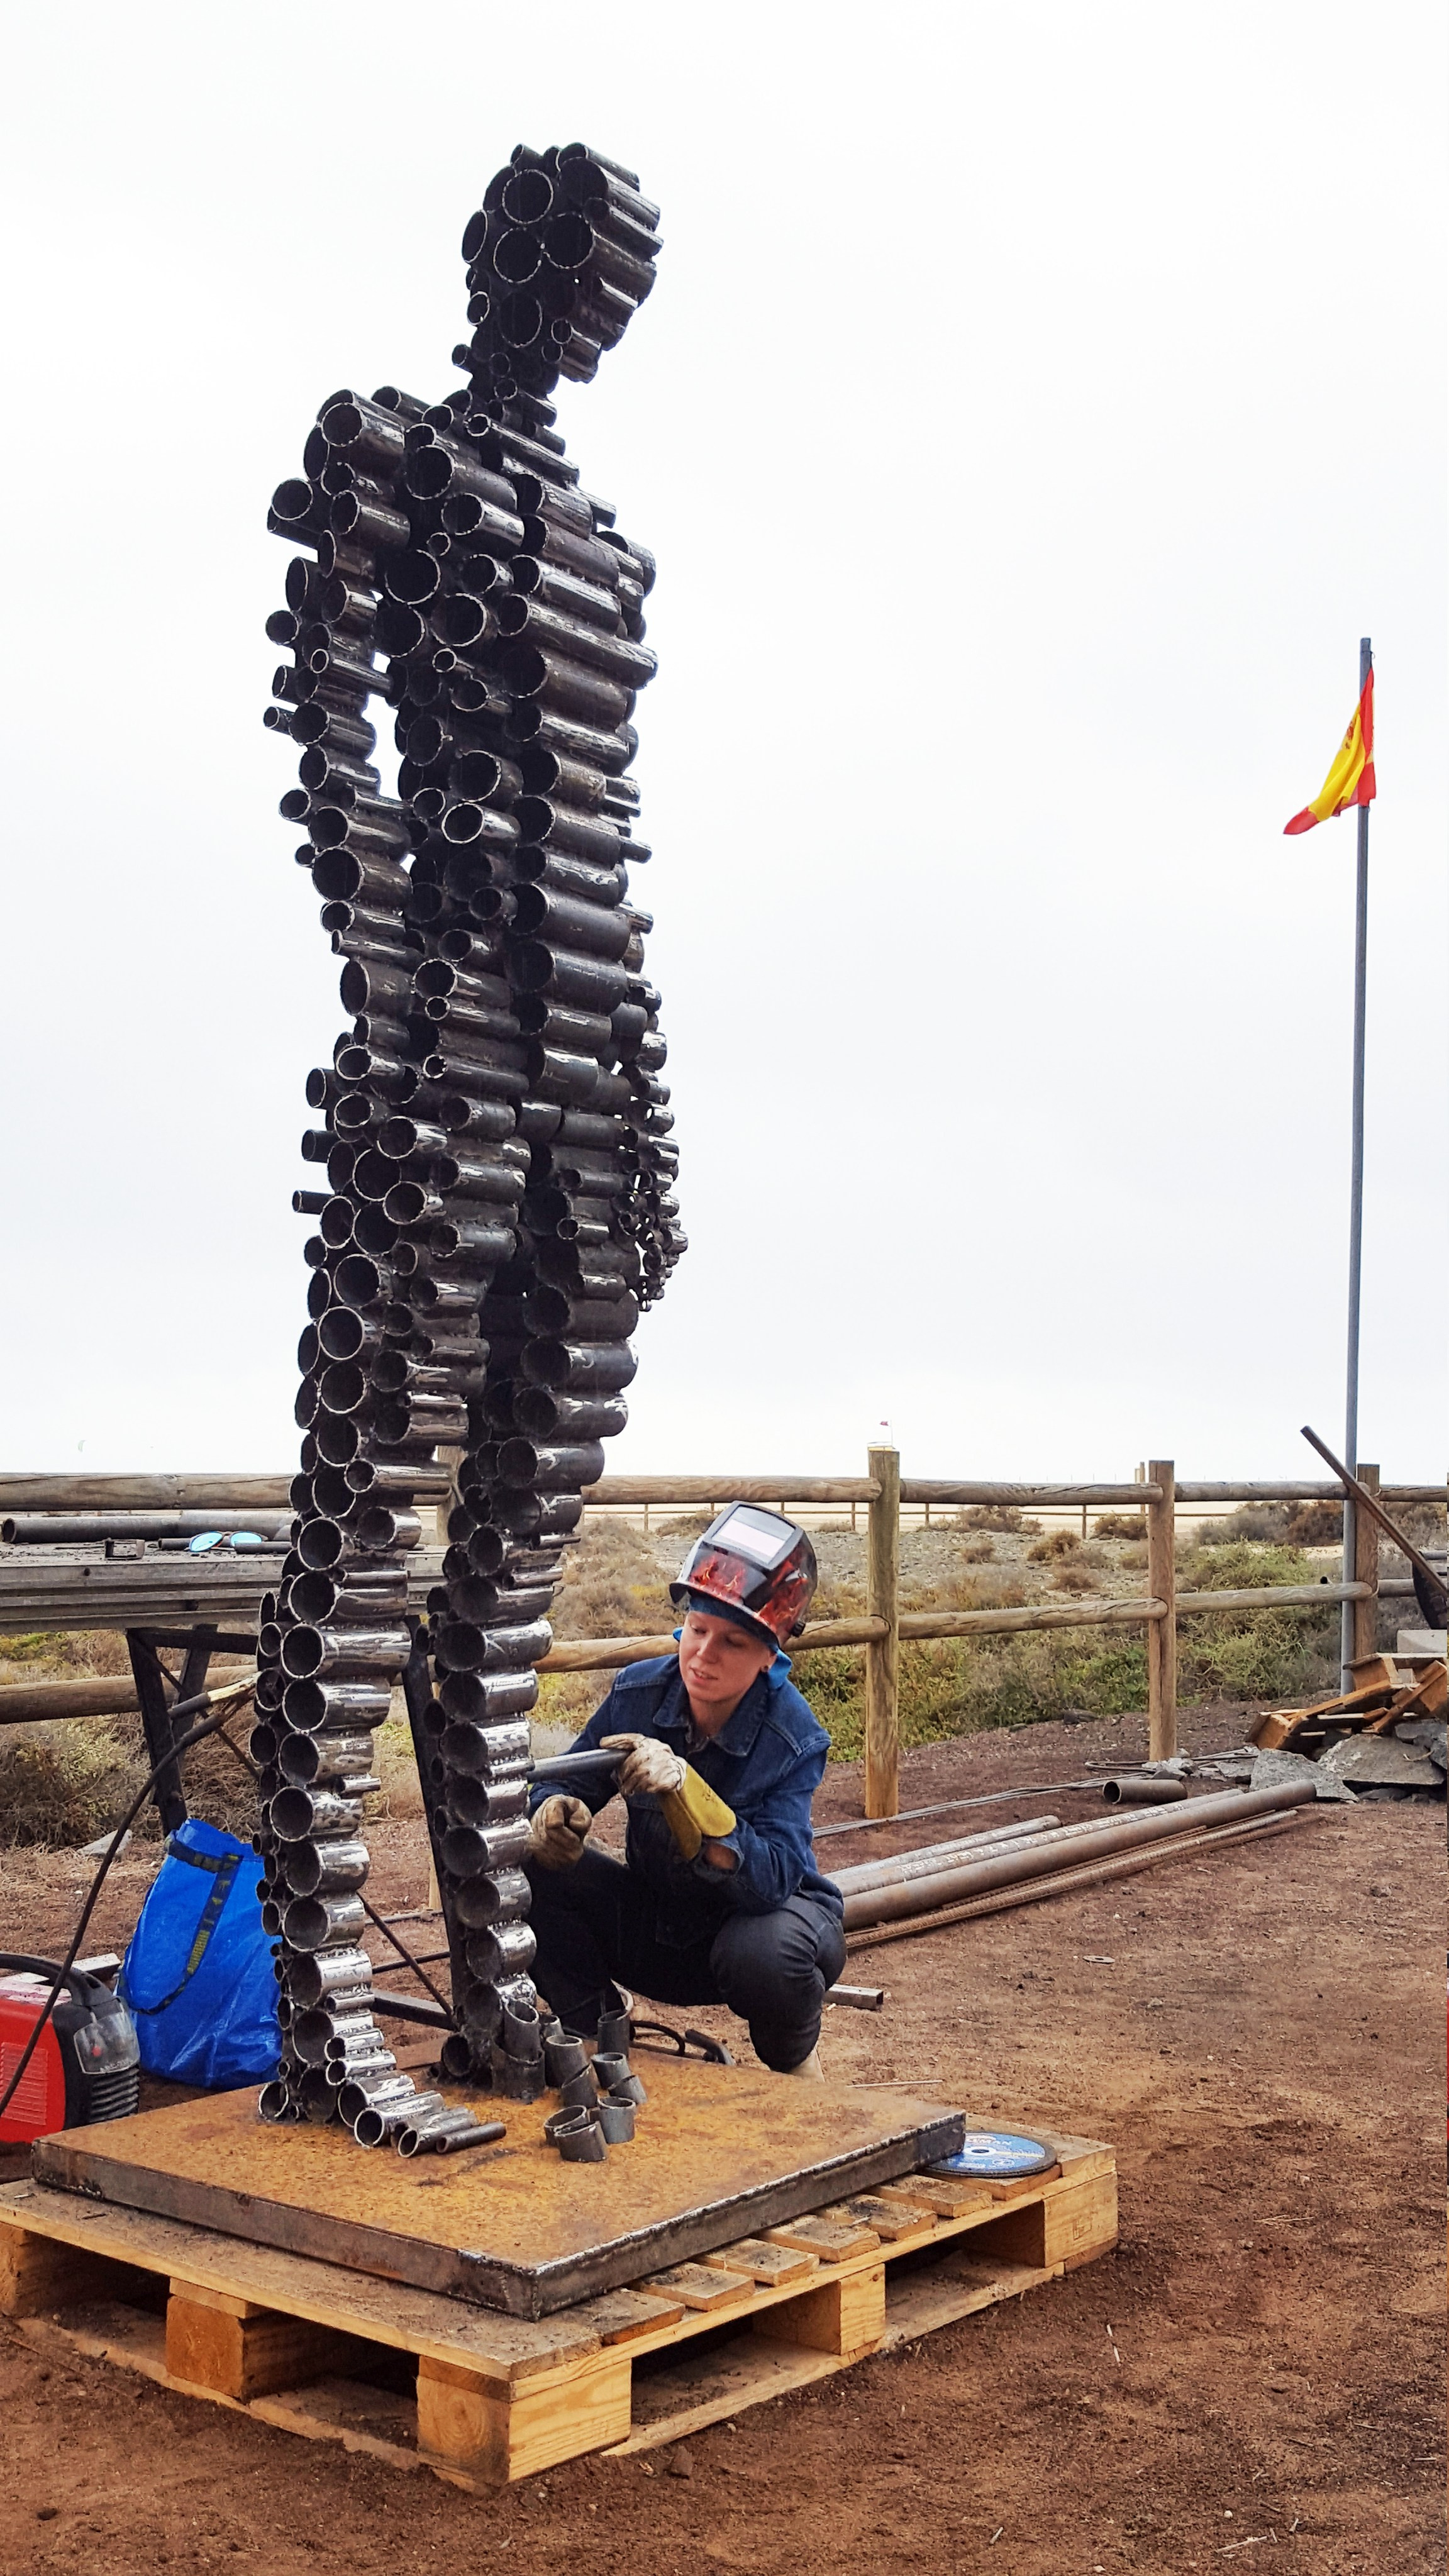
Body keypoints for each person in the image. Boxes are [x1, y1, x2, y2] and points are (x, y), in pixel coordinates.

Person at [524, 1505, 845, 2079]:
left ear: (771, 1654)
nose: (704, 1653)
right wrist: (550, 1812)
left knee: (770, 1956)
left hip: (748, 1934)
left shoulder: (793, 1737)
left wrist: (690, 1794)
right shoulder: (638, 1693)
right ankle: (598, 2039)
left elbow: (774, 1880)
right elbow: (566, 1781)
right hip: (659, 1929)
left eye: (733, 1642)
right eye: (697, 1629)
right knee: (526, 1868)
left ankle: (798, 2069)